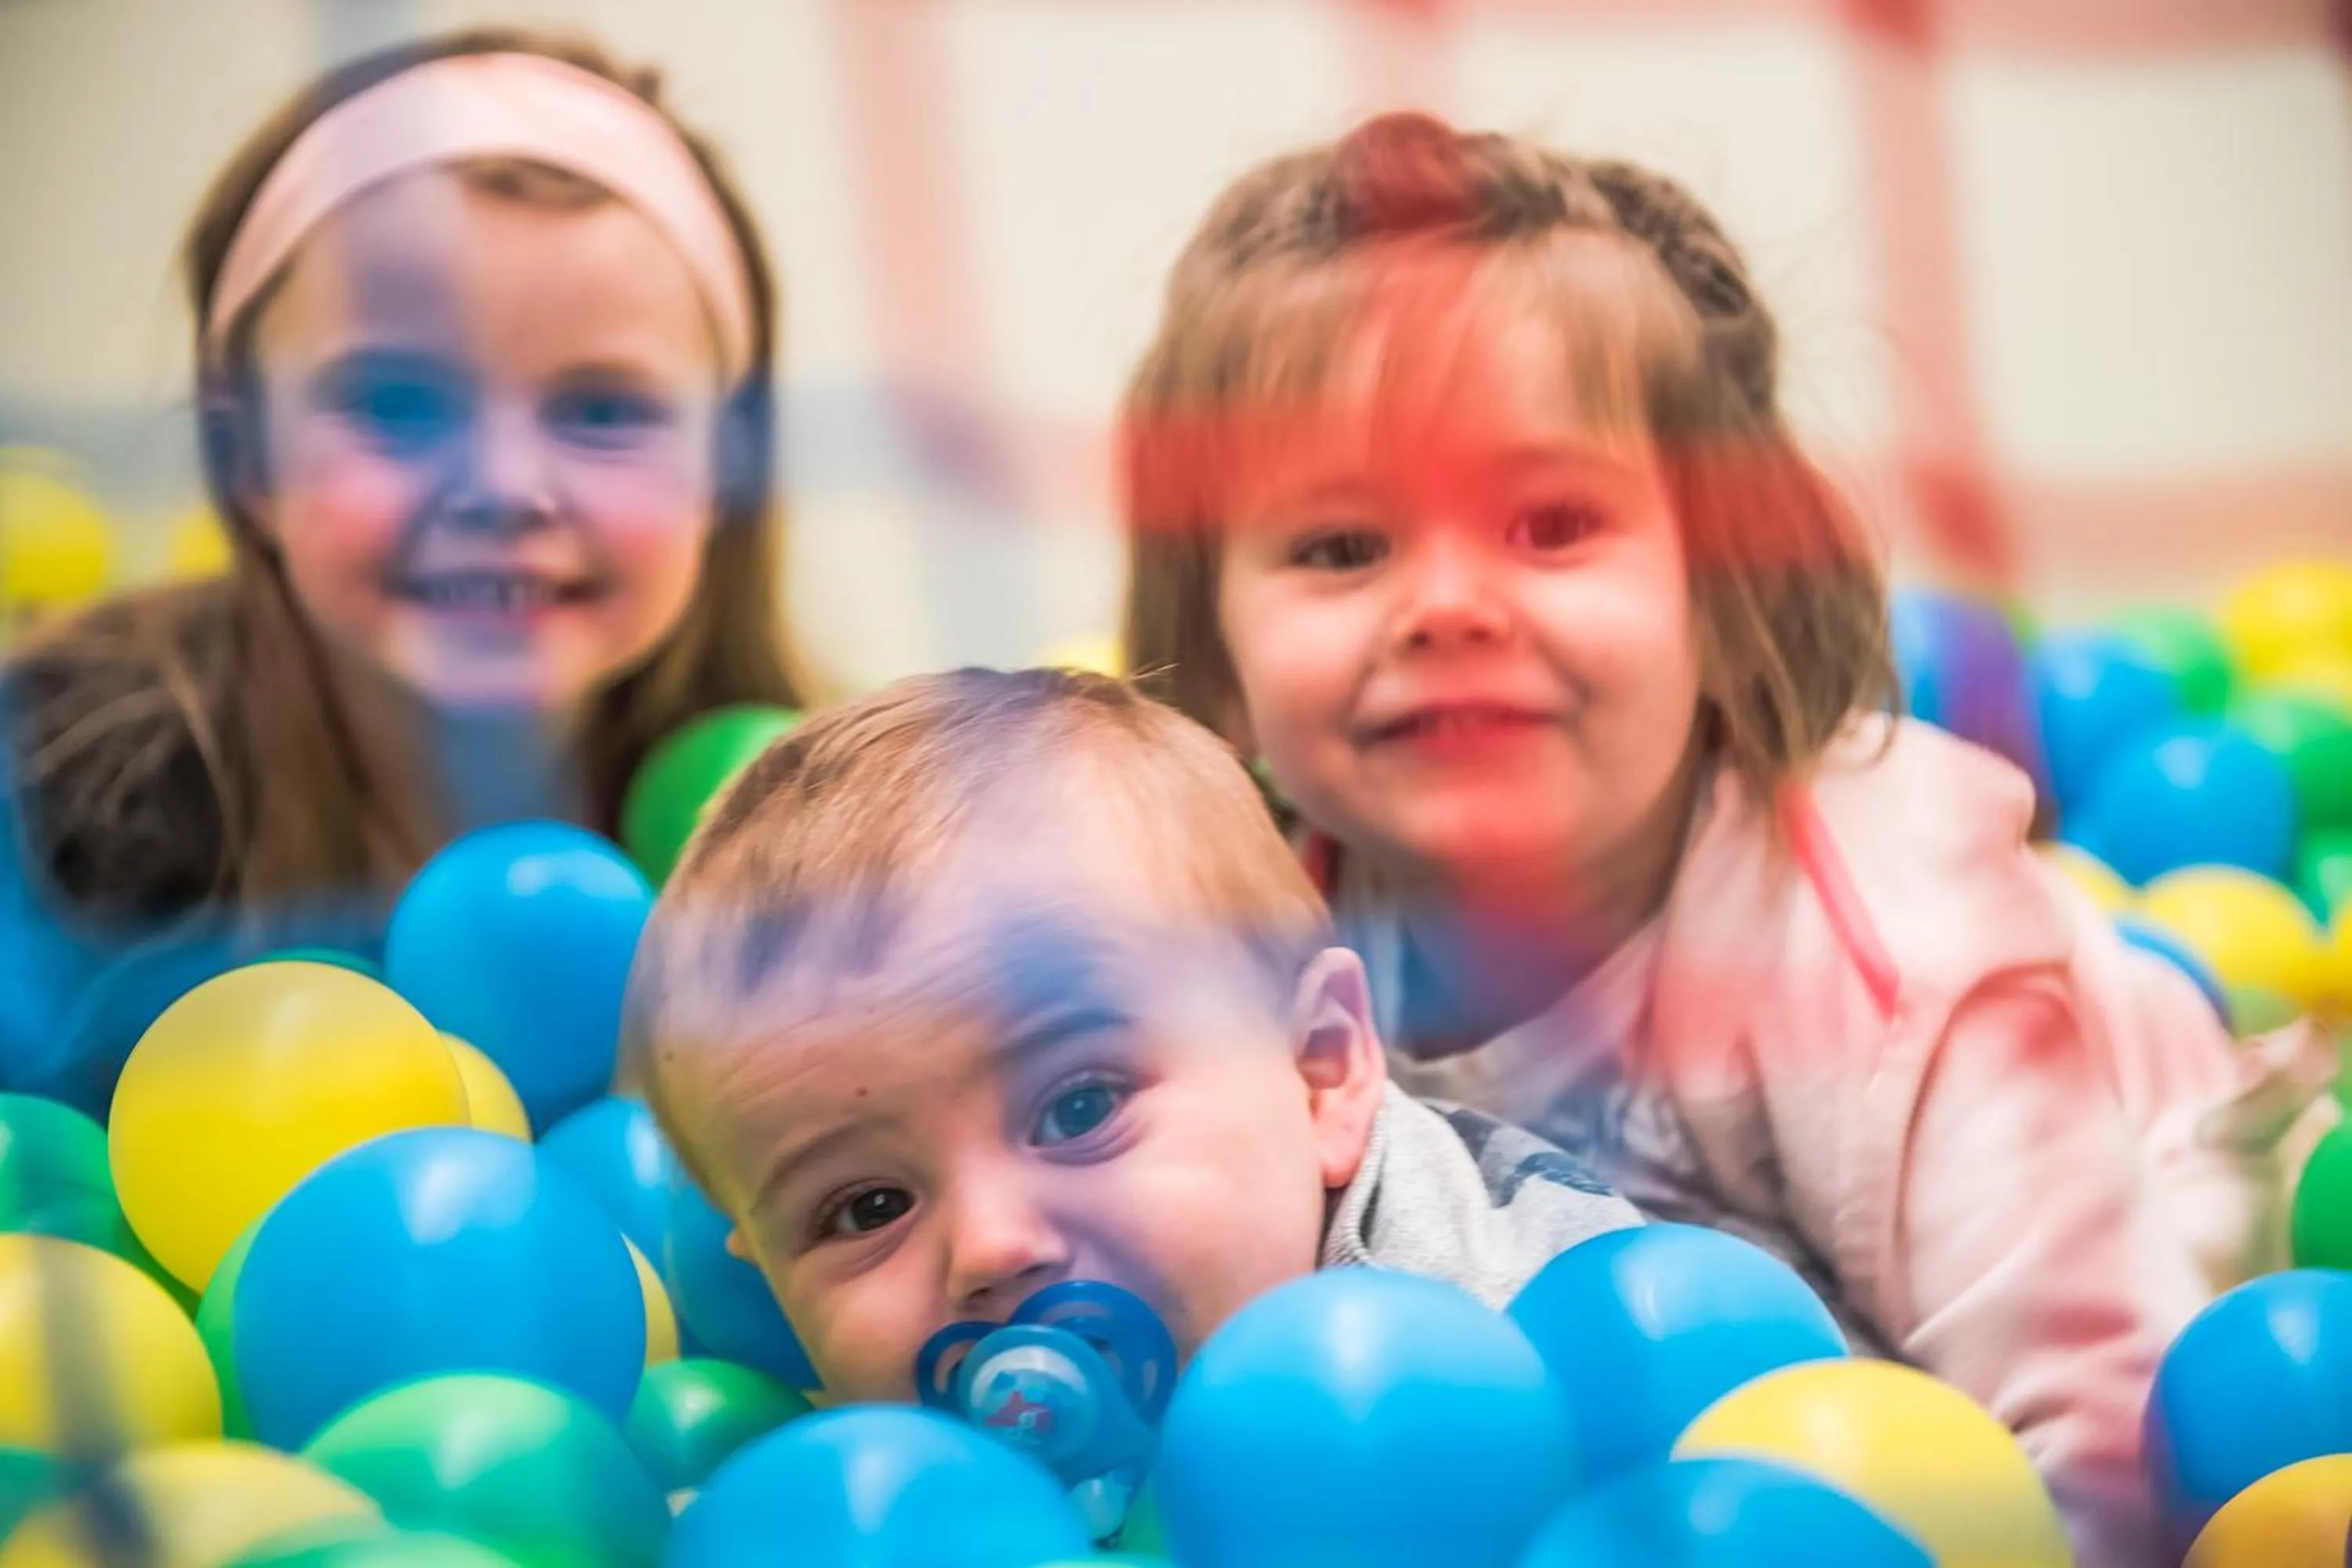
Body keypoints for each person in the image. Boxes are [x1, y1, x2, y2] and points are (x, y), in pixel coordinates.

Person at [1116, 109, 2334, 1562]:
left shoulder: (1892, 952)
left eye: (1552, 522)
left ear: (1727, 590)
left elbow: (2109, 1445)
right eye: (1339, 547)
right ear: (1218, 647)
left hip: (2186, 1226)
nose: (1444, 605)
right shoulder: (1256, 955)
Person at [0, 27, 807, 1099]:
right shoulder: (45, 809)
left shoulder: (813, 846)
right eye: (397, 403)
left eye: (604, 409)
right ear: (245, 458)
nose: (502, 486)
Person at [626, 666, 1639, 1403]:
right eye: (866, 1208)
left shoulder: (1508, 1333)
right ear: (761, 1264)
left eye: (1080, 1108)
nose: (991, 1247)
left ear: (1319, 1072)